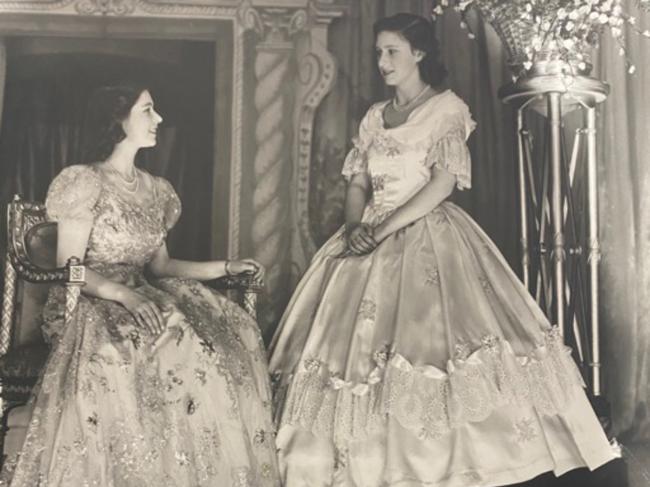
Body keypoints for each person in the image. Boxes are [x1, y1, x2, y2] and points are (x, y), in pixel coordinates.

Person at [269, 13, 616, 487]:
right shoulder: (374, 116)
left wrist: (385, 226)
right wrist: (355, 226)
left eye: (392, 51)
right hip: (365, 235)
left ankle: (451, 460)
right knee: (351, 351)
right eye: (378, 52)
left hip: (427, 232)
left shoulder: (447, 108)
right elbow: (358, 182)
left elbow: (442, 184)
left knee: (431, 339)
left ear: (419, 54)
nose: (382, 61)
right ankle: (367, 462)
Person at [2, 84, 280, 486]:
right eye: (148, 110)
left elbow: (162, 266)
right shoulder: (84, 182)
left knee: (224, 335)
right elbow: (69, 266)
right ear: (119, 120)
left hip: (142, 292)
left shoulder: (156, 190)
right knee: (160, 340)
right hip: (90, 300)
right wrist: (123, 295)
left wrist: (225, 265)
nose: (159, 119)